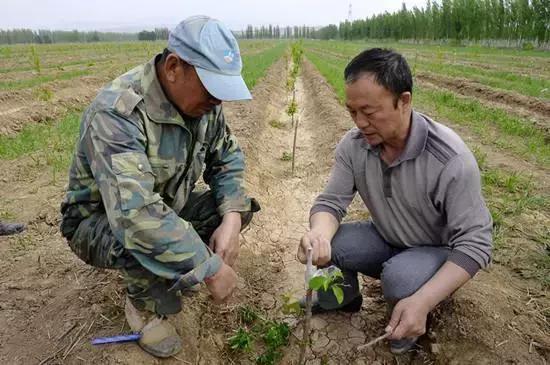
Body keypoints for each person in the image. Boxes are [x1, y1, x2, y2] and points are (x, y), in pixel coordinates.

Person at [60, 15, 259, 358]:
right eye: (212, 88)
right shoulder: (118, 112)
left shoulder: (205, 108)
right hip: (99, 223)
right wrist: (209, 268)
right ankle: (144, 310)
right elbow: (134, 215)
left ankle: (176, 264)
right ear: (173, 67)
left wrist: (231, 218)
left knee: (233, 209)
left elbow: (226, 160)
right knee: (143, 235)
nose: (218, 101)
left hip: (167, 206)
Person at [297, 48, 492, 354]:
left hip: (434, 250)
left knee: (400, 281)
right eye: (352, 112)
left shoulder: (449, 159)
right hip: (386, 236)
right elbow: (331, 202)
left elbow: (476, 243)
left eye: (369, 111)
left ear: (404, 101)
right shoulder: (354, 146)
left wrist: (424, 299)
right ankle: (343, 300)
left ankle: (407, 334)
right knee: (336, 242)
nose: (360, 122)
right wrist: (319, 234)